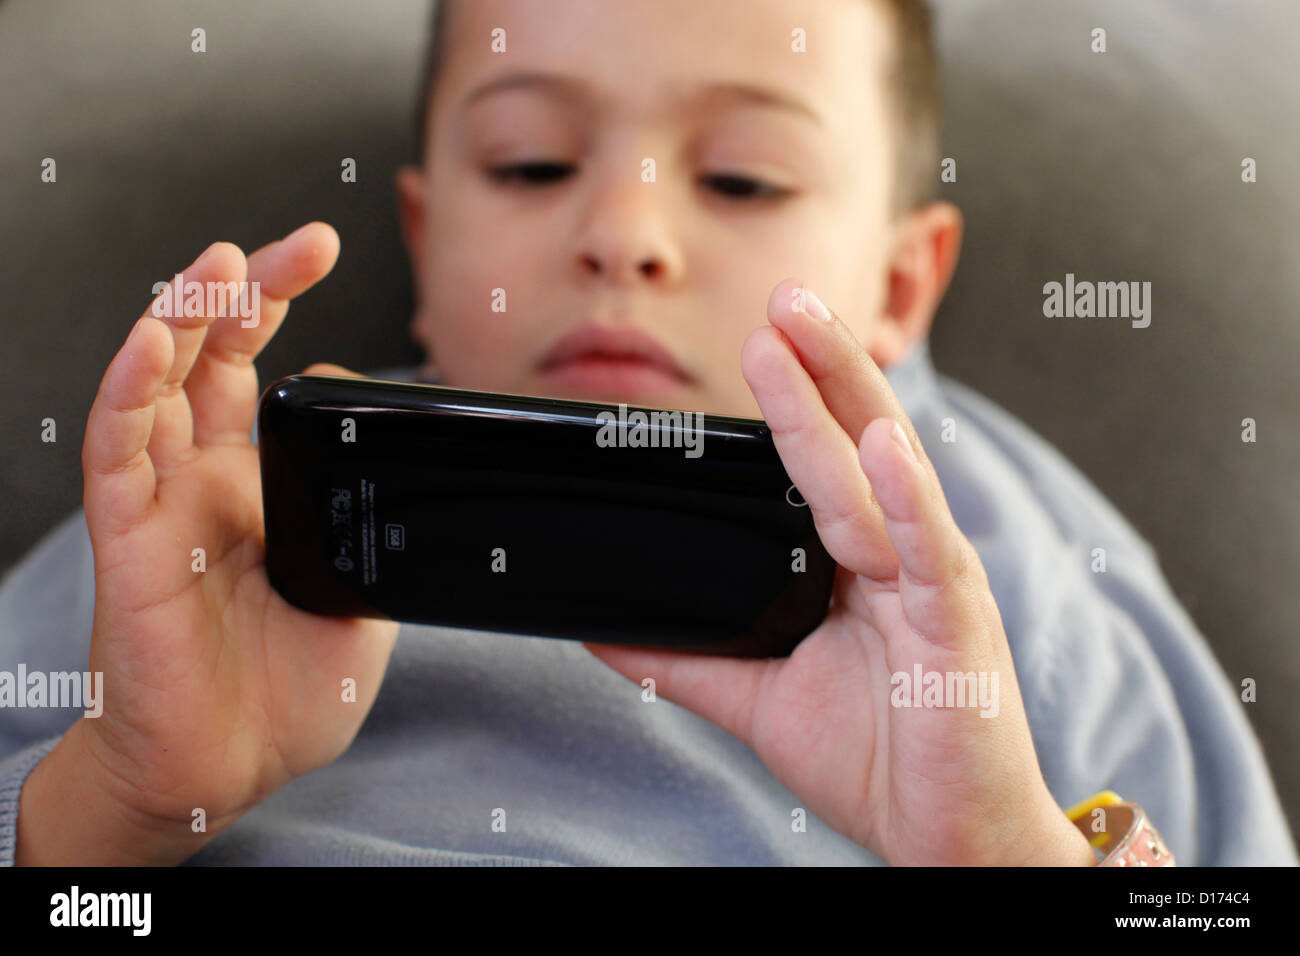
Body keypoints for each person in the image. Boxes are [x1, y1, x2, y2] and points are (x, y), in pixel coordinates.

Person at [2, 0, 1293, 866]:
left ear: (901, 286)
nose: (623, 234)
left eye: (741, 179)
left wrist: (1003, 851)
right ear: (427, 241)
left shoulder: (990, 543)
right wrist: (117, 798)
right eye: (530, 164)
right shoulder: (220, 511)